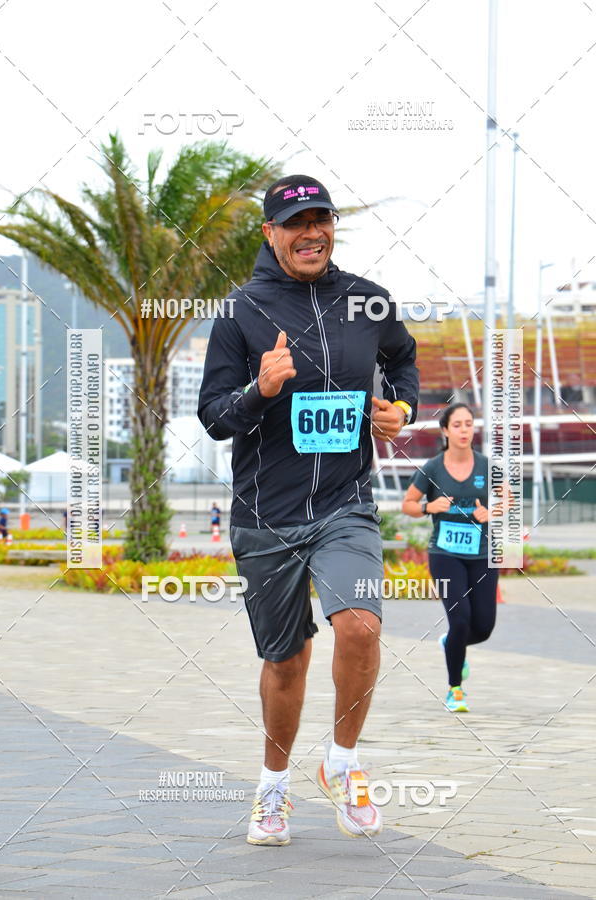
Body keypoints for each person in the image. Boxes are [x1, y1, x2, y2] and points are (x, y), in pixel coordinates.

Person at [198, 174, 419, 845]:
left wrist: (400, 410)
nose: (311, 233)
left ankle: (343, 762)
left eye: (321, 219)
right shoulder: (240, 313)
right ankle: (272, 789)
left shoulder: (366, 302)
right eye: (296, 223)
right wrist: (259, 392)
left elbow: (405, 360)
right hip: (265, 514)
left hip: (344, 504)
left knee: (360, 627)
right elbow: (212, 417)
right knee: (286, 661)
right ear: (271, 234)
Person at [402, 402, 497, 713]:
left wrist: (492, 511)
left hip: (481, 555)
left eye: (469, 424)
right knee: (460, 619)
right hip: (444, 555)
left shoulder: (487, 466)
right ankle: (455, 689)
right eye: (457, 425)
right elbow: (409, 504)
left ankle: (450, 645)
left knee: (483, 627)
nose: (464, 430)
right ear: (445, 431)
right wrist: (430, 507)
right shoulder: (432, 468)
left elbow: (508, 500)